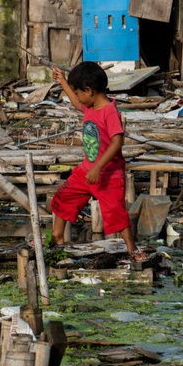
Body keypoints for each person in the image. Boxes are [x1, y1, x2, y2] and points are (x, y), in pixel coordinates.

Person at [49, 62, 144, 261]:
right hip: (86, 171)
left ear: (89, 90)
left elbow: (117, 142)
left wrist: (98, 168)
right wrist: (63, 81)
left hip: (109, 175)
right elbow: (77, 103)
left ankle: (132, 249)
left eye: (78, 92)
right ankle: (57, 238)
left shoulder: (109, 111)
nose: (77, 97)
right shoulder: (90, 106)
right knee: (63, 197)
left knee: (116, 213)